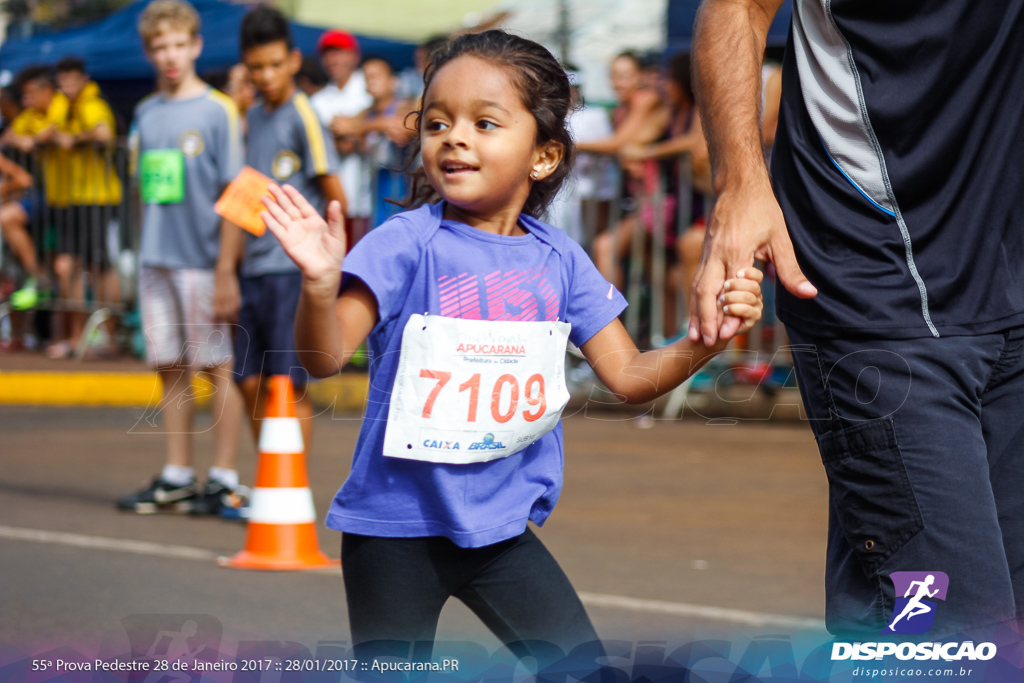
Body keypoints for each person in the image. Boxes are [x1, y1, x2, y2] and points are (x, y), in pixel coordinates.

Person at [259, 29, 763, 659]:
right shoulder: (404, 243)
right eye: (437, 122)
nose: (455, 136)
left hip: (501, 536)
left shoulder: (561, 260)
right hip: (392, 533)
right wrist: (319, 285)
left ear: (544, 156)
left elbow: (630, 377)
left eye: (485, 122)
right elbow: (323, 357)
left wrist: (708, 340)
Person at [691, 0, 1024, 636]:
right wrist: (741, 182)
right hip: (876, 285)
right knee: (962, 631)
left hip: (1007, 280)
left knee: (907, 615)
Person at [116, 0, 246, 517]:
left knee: (218, 366)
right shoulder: (146, 113)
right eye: (159, 47)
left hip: (204, 261)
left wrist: (225, 270)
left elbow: (239, 196)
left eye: (178, 44)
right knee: (169, 365)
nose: (169, 55)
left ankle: (224, 475)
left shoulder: (218, 111)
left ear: (195, 46)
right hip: (157, 261)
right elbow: (146, 193)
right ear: (149, 52)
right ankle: (176, 474)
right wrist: (143, 257)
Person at [230, 6, 345, 452]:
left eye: (275, 64)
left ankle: (289, 484)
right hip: (252, 268)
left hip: (289, 272)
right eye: (257, 67)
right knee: (247, 381)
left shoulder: (304, 114)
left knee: (288, 384)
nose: (266, 75)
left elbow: (336, 198)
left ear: (294, 61)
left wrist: (325, 266)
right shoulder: (253, 116)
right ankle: (271, 477)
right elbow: (247, 192)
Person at [48, 57, 123, 358]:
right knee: (67, 266)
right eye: (62, 81)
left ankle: (110, 336)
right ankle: (77, 336)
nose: (67, 87)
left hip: (99, 198)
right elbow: (48, 129)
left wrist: (75, 139)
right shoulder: (60, 105)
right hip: (71, 199)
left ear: (83, 79)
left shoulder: (93, 103)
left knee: (100, 266)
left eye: (71, 80)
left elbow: (104, 133)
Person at [310, 29, 373, 239]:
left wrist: (352, 128)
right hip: (331, 202)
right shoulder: (317, 101)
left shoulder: (370, 89)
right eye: (328, 53)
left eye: (339, 52)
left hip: (371, 198)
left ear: (354, 56)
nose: (333, 59)